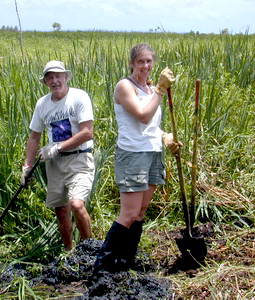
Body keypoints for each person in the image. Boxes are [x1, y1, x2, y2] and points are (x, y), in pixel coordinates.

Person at [93, 43, 182, 274]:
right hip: (132, 154)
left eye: (149, 61)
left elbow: (152, 124)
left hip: (152, 152)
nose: (145, 66)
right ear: (132, 63)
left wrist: (167, 137)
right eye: (140, 61)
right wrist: (161, 90)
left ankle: (125, 262)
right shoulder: (125, 87)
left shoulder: (151, 90)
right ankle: (103, 267)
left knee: (141, 212)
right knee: (130, 213)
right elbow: (142, 116)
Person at [20, 60, 95, 252]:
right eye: (50, 77)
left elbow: (87, 133)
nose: (55, 81)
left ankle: (89, 252)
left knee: (76, 205)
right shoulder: (42, 104)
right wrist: (27, 166)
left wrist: (57, 148)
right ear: (45, 82)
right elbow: (35, 136)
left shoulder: (79, 97)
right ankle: (68, 252)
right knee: (61, 211)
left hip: (79, 158)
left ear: (66, 77)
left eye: (58, 76)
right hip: (54, 164)